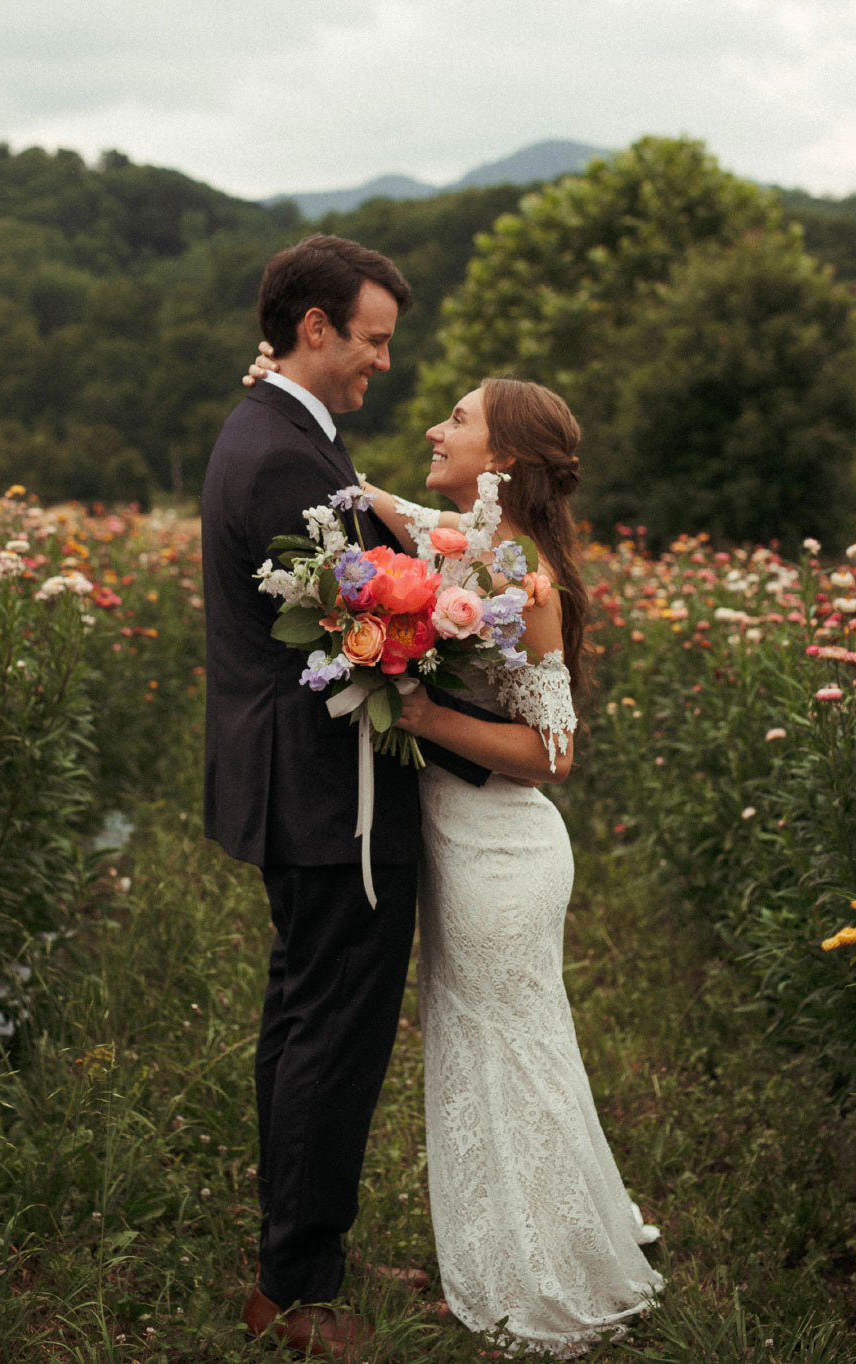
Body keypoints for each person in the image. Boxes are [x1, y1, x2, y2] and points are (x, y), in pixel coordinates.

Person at [246, 349, 663, 1357]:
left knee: (509, 1051)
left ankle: (547, 1276)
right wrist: (279, 386)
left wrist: (423, 709)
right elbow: (368, 494)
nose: (435, 428)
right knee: (484, 1049)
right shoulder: (463, 545)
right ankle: (515, 1243)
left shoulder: (530, 583)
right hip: (456, 839)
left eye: (457, 418)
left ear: (504, 456)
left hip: (503, 851)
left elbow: (553, 754)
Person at [202, 234, 426, 1360]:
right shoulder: (288, 454)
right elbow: (364, 635)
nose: (384, 363)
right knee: (331, 1034)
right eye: (374, 340)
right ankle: (297, 1291)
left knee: (304, 1022)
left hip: (299, 785)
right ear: (317, 329)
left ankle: (300, 1253)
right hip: (327, 793)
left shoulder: (281, 430)